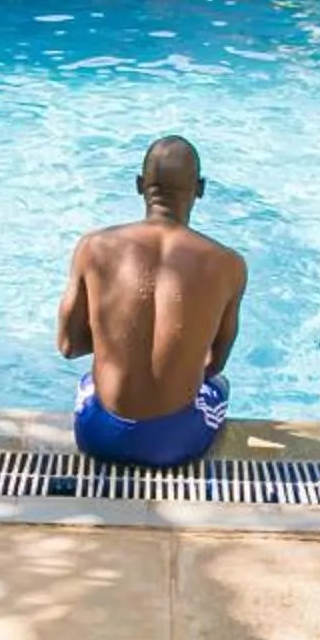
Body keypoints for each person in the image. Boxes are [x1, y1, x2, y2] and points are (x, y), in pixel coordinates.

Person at [58, 136, 248, 467]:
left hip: (99, 435)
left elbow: (68, 346)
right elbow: (214, 365)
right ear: (200, 188)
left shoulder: (93, 247)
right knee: (219, 387)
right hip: (175, 441)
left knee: (90, 383)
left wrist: (115, 338)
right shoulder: (227, 264)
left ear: (138, 185)